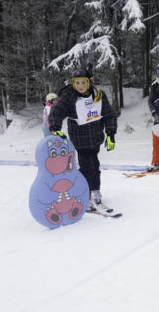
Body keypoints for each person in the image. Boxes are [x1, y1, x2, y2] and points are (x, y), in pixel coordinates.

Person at [48, 68, 117, 214]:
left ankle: (95, 190)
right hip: (79, 139)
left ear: (89, 82)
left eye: (83, 82)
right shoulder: (69, 96)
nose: (80, 86)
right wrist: (55, 127)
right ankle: (83, 195)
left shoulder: (98, 95)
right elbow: (57, 112)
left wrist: (110, 134)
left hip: (96, 137)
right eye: (77, 83)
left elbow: (109, 115)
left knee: (95, 166)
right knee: (87, 168)